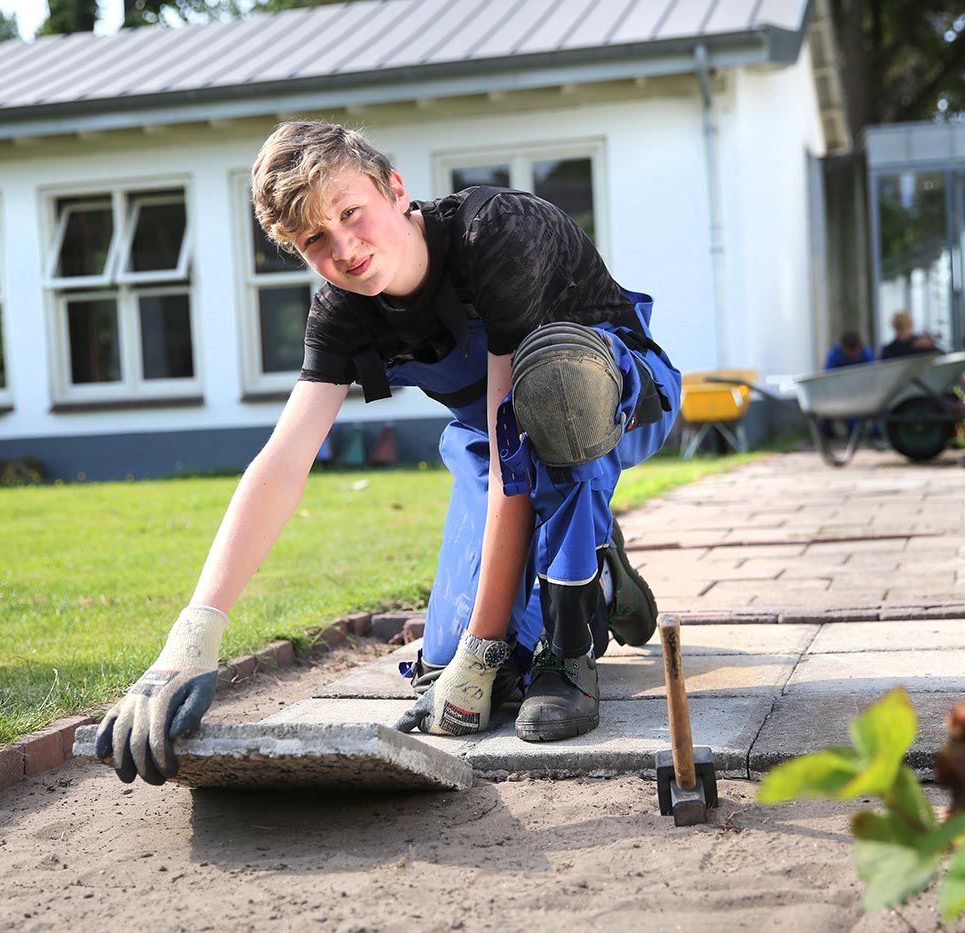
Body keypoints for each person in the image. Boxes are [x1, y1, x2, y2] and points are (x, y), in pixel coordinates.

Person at [93, 122, 682, 784]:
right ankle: (597, 576)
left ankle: (570, 646)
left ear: (395, 189)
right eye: (315, 238)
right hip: (495, 431)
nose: (343, 247)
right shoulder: (343, 312)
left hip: (609, 393)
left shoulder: (498, 236)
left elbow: (516, 449)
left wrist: (482, 651)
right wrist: (189, 643)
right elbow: (281, 464)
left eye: (351, 213)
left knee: (551, 415)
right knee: (447, 669)